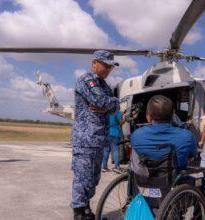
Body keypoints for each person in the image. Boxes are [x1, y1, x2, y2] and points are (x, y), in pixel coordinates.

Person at [71, 50, 119, 219]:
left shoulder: (104, 86)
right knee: (82, 178)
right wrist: (109, 103)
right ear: (94, 63)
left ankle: (86, 211)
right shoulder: (87, 80)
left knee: (93, 179)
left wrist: (111, 104)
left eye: (110, 67)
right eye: (105, 65)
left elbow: (113, 108)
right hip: (86, 139)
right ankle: (79, 213)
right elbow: (101, 102)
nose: (108, 69)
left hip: (99, 140)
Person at [131, 95, 197, 172]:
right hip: (175, 179)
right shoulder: (188, 135)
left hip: (145, 180)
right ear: (173, 115)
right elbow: (192, 156)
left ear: (148, 117)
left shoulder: (136, 135)